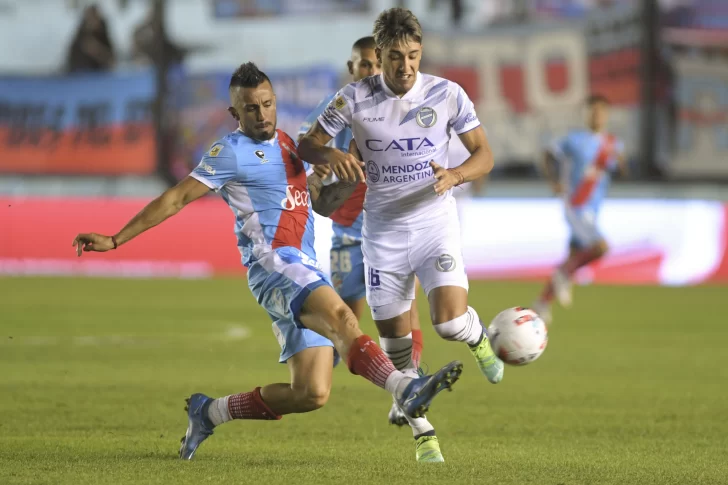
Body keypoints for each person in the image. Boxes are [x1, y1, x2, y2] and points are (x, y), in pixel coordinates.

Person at [71, 62, 462, 460]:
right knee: (345, 319)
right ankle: (404, 388)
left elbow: (321, 205)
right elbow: (176, 198)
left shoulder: (290, 144)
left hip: (300, 265)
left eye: (267, 104)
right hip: (274, 263)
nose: (262, 115)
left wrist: (344, 179)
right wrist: (116, 239)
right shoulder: (231, 152)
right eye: (251, 108)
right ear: (234, 113)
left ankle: (209, 411)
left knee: (311, 392)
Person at [298, 8, 504, 398]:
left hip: (433, 223)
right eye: (395, 56)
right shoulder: (353, 98)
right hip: (382, 231)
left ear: (420, 53)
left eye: (413, 56)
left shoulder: (446, 94)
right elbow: (308, 143)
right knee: (397, 358)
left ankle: (477, 337)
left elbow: (484, 155)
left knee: (448, 322)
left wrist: (455, 175)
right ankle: (424, 438)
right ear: (381, 54)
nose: (405, 66)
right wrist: (331, 157)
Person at [298, 36, 440, 462]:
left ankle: (404, 393)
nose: (370, 72)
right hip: (346, 230)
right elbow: (306, 152)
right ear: (351, 67)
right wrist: (319, 167)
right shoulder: (335, 108)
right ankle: (331, 371)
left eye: (376, 65)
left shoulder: (402, 105)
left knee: (404, 311)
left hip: (392, 226)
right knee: (349, 321)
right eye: (363, 66)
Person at [532, 94, 628, 324]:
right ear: (586, 114)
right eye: (592, 111)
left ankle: (542, 304)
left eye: (601, 111)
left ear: (607, 115)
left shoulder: (612, 144)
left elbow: (622, 172)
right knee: (601, 248)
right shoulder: (574, 139)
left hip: (593, 209)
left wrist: (620, 161)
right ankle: (563, 274)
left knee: (575, 256)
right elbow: (548, 154)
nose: (597, 115)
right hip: (576, 204)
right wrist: (554, 181)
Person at [65, 4, 114, 73]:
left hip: (100, 73)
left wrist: (102, 53)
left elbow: (111, 57)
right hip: (80, 72)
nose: (93, 21)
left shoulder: (103, 31)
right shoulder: (82, 34)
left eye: (95, 17)